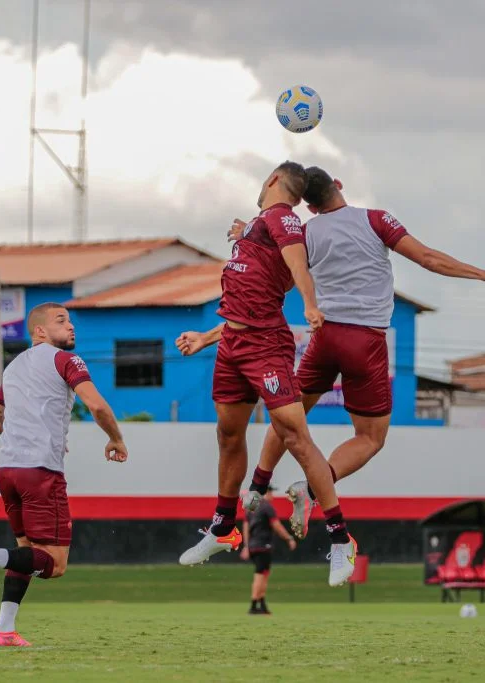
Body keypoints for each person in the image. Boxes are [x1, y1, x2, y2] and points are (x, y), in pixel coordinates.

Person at [232, 166, 485, 537]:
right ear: (339, 186)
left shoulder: (303, 232)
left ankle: (256, 486)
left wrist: (245, 237)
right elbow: (428, 258)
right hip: (365, 341)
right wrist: (482, 273)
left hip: (324, 337)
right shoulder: (376, 220)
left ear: (310, 207)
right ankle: (313, 487)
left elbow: (278, 277)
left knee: (290, 416)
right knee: (371, 438)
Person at [174, 161, 357, 587]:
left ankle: (340, 540)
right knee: (228, 433)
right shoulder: (259, 227)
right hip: (233, 345)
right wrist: (206, 337)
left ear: (273, 179)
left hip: (265, 348)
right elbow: (247, 302)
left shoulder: (282, 218)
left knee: (295, 435)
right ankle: (222, 529)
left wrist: (310, 305)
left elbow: (298, 268)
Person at [0, 303, 127, 647]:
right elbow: (97, 405)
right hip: (40, 473)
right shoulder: (65, 360)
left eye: (72, 321)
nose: (71, 327)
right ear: (40, 332)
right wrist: (116, 439)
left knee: (27, 554)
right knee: (54, 564)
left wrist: (39, 434)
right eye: (62, 321)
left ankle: (3, 630)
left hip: (7, 472)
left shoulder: (13, 368)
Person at [240, 486, 296, 615]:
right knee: (260, 575)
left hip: (254, 546)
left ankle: (262, 605)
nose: (272, 496)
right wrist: (289, 538)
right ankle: (254, 605)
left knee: (263, 574)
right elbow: (277, 525)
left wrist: (247, 546)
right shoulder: (267, 507)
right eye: (270, 492)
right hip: (263, 545)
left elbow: (245, 526)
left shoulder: (251, 507)